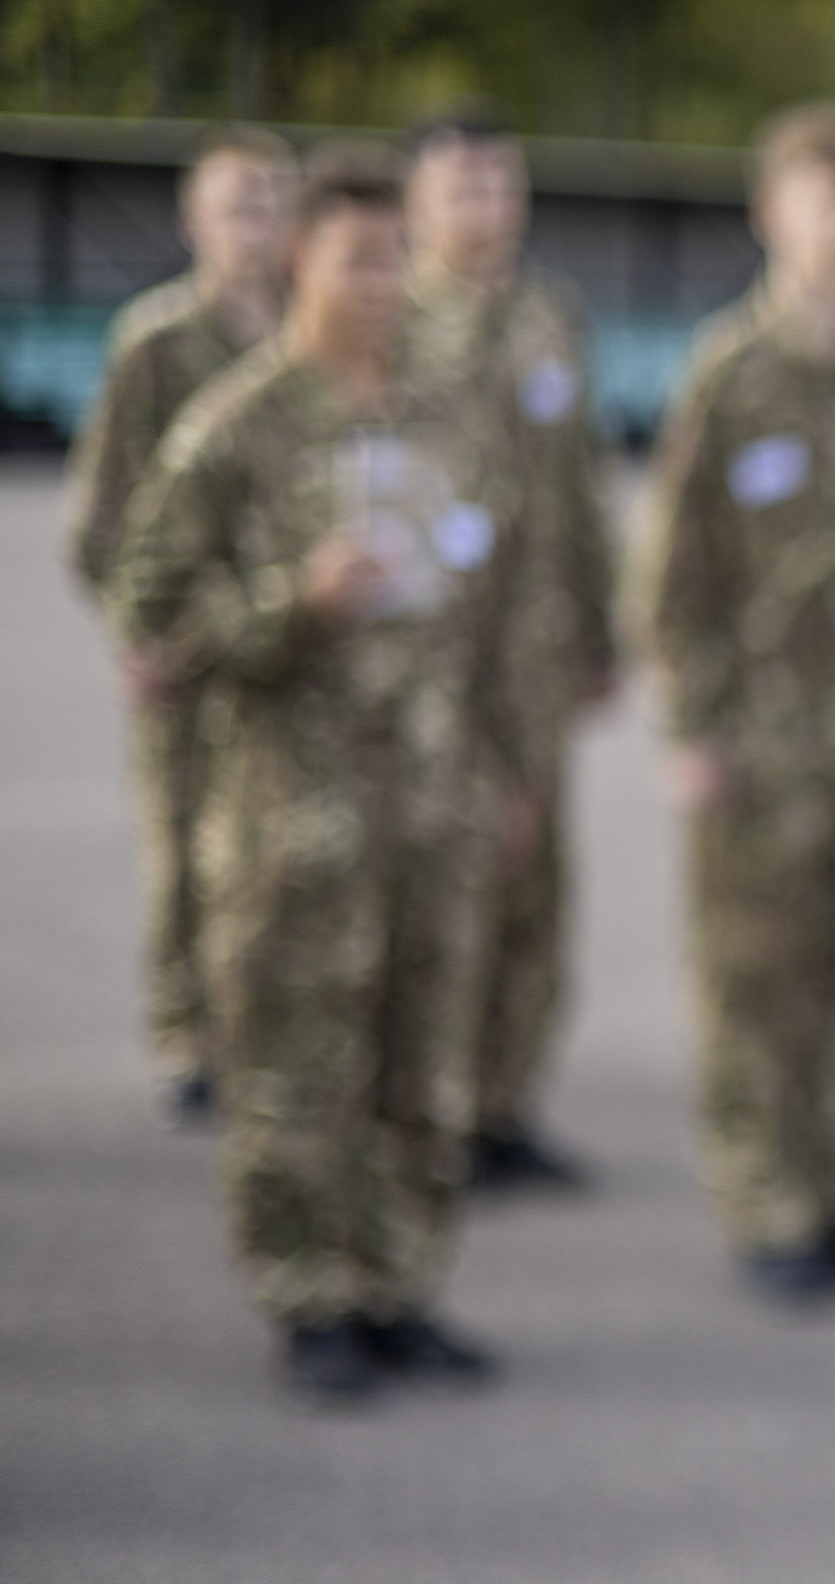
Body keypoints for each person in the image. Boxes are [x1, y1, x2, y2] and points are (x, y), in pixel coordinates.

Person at [108, 143, 526, 1404]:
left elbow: (494, 600)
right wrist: (293, 603)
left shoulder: (449, 407)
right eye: (359, 257)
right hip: (296, 815)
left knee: (422, 1059)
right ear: (300, 260)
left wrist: (503, 763)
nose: (387, 280)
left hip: (431, 804)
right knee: (299, 1066)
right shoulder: (237, 421)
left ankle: (398, 1284)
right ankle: (310, 1298)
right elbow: (150, 613)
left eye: (397, 255)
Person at [624, 101, 835, 1305]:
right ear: (775, 211)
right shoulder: (733, 372)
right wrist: (688, 727)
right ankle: (768, 1208)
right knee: (755, 981)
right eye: (833, 196)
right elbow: (675, 571)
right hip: (760, 745)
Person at [402, 104, 618, 1194]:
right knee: (450, 893)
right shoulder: (389, 320)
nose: (490, 210)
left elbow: (580, 482)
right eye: (465, 189)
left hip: (534, 657)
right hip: (425, 672)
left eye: (504, 187)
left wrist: (599, 628)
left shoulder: (549, 317)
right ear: (417, 204)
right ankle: (430, 1112)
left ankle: (503, 1106)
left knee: (536, 893)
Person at [63, 126, 295, 1127]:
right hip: (191, 647)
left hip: (287, 641)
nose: (260, 225)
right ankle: (190, 1035)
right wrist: (140, 634)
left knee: (275, 850)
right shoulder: (158, 344)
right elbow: (102, 514)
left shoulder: (307, 337)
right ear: (195, 219)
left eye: (276, 204)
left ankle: (262, 1023)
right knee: (185, 849)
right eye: (239, 203)